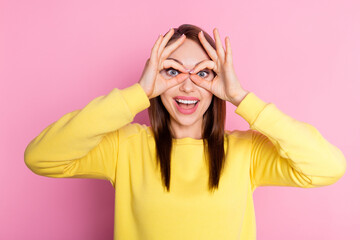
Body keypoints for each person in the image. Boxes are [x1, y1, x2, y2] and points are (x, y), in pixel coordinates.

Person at [24, 24, 346, 240]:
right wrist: (138, 92)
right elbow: (40, 157)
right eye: (173, 71)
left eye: (204, 73)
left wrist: (241, 98)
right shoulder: (126, 147)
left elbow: (328, 168)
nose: (188, 85)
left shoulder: (245, 152)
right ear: (156, 76)